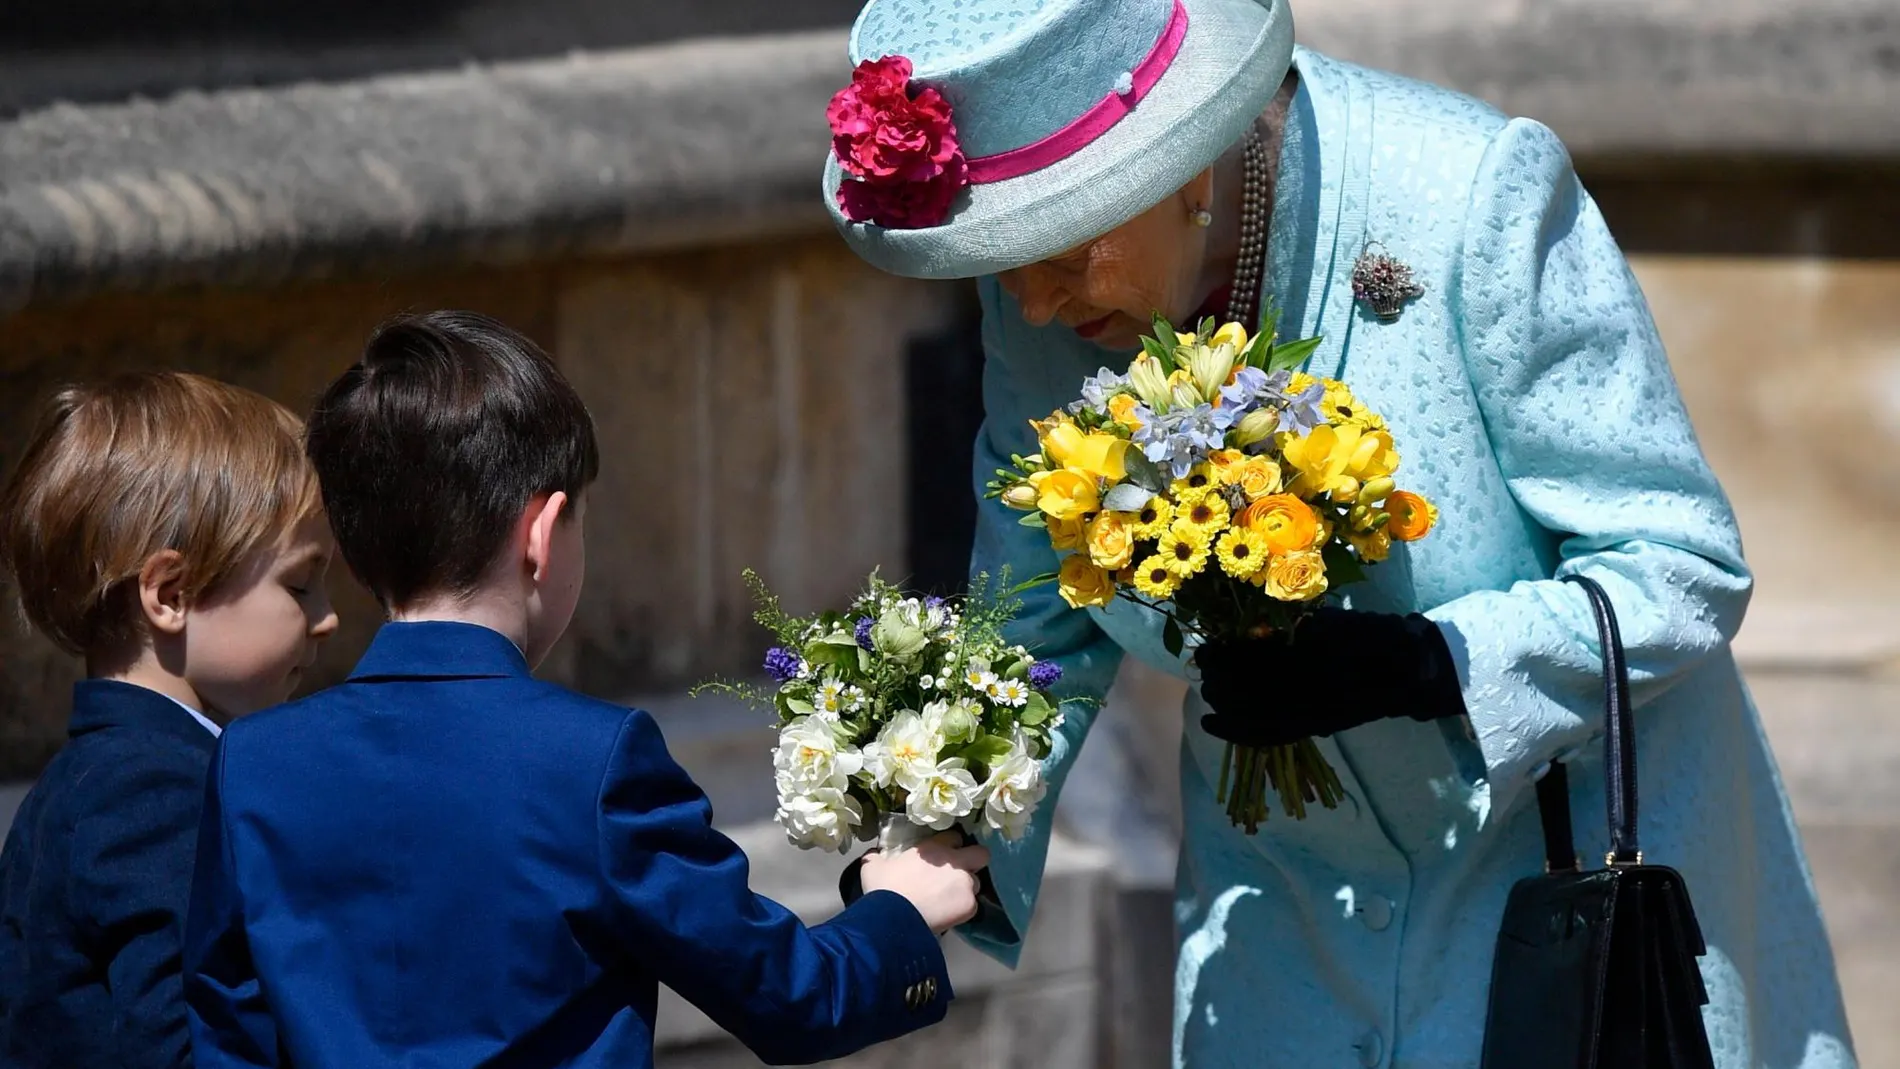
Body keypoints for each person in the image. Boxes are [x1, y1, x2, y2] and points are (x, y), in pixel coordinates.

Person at [820, 0, 1857, 1066]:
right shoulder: (1045, 300)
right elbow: (1033, 607)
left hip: (1561, 899)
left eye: (1062, 247)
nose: (1030, 302)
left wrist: (1428, 664)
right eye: (997, 257)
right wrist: (942, 824)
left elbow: (1679, 566)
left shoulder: (1470, 193)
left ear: (1185, 164)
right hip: (1278, 926)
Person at [183, 311, 986, 1068]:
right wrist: (900, 910)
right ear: (542, 532)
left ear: (357, 557)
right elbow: (793, 995)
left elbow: (226, 1035)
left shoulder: (253, 759)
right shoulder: (593, 761)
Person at [0, 372, 338, 1068]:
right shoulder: (149, 791)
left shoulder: (92, 779)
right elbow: (188, 1037)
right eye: (300, 584)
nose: (328, 617)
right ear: (171, 592)